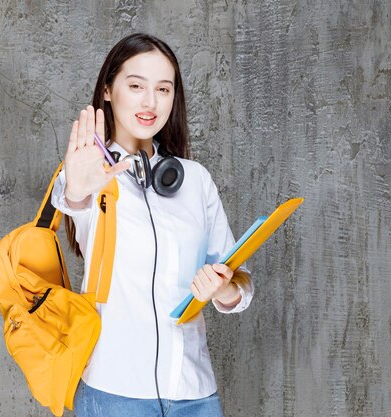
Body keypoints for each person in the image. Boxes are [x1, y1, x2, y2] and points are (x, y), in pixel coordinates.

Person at [50, 33, 253, 417]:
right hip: (114, 393)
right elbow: (73, 202)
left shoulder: (194, 180)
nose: (150, 102)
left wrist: (224, 290)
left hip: (194, 394)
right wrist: (77, 190)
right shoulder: (88, 173)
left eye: (163, 89)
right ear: (108, 90)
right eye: (136, 86)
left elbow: (240, 282)